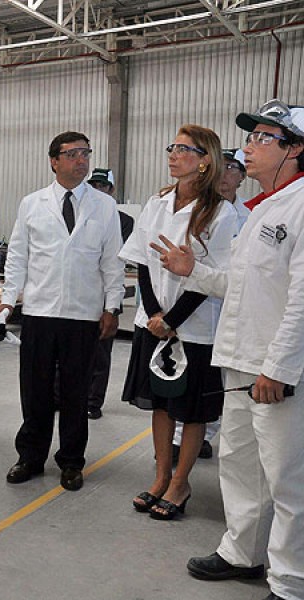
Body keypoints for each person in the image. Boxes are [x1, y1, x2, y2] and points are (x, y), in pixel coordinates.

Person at [153, 99, 304, 600]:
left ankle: (290, 581)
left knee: (286, 479)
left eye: (264, 138)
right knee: (240, 466)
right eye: (251, 136)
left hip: (275, 370)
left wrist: (279, 367)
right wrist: (191, 271)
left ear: (295, 149)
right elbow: (240, 286)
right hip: (240, 361)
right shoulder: (261, 211)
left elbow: (302, 300)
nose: (249, 146)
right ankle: (243, 553)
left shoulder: (301, 207)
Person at [120, 124, 238, 520]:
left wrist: (172, 320)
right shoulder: (158, 202)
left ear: (205, 161)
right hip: (153, 321)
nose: (173, 154)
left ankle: (180, 483)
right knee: (161, 405)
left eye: (184, 149)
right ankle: (160, 476)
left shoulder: (220, 212)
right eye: (172, 147)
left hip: (195, 327)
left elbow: (213, 275)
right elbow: (142, 260)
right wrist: (155, 314)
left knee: (192, 411)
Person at [0, 131, 124, 491]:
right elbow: (18, 256)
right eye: (72, 154)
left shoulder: (104, 206)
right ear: (54, 161)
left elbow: (112, 260)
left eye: (85, 153)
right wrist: (8, 299)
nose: (81, 160)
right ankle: (30, 457)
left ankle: (71, 461)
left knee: (75, 392)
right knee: (35, 390)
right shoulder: (32, 204)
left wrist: (112, 306)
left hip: (83, 315)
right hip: (40, 311)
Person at [171, 147, 248, 460]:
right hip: (193, 310)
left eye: (233, 168)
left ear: (242, 177)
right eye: (221, 165)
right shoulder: (195, 209)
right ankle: (183, 438)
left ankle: (209, 433)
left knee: (223, 381)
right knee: (188, 378)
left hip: (232, 312)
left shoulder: (250, 217)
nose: (225, 173)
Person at [86, 167, 134, 419]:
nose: (97, 190)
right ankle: (61, 397)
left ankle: (93, 402)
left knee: (100, 353)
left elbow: (115, 258)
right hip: (80, 294)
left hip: (106, 294)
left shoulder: (124, 221)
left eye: (102, 186)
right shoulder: (80, 215)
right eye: (93, 185)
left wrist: (112, 307)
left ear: (111, 190)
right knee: (69, 351)